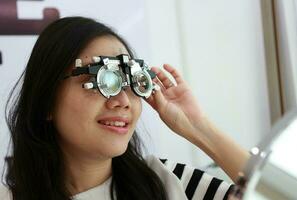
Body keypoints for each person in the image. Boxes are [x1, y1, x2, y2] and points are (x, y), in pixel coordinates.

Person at [0, 16, 249, 200]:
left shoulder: (170, 183)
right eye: (102, 81)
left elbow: (282, 193)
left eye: (131, 82)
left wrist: (198, 127)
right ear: (46, 101)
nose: (122, 100)